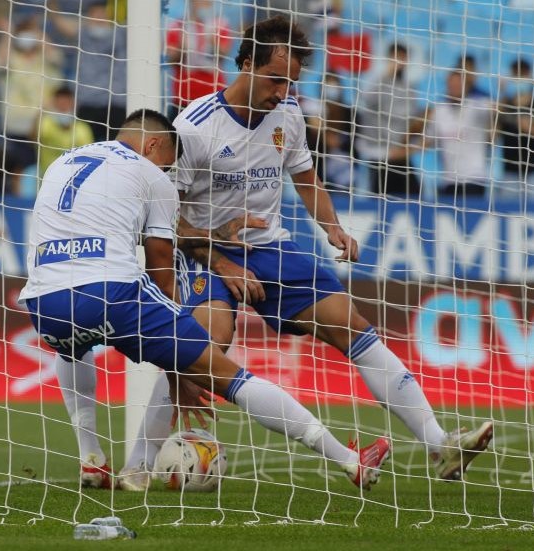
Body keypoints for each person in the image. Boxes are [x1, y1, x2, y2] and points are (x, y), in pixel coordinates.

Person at [118, 16, 493, 490]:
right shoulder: (194, 127)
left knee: (351, 324)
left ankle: (441, 444)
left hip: (270, 247)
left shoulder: (289, 114)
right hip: (204, 253)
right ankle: (137, 465)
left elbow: (306, 179)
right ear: (247, 63)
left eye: (291, 81)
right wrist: (222, 259)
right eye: (276, 79)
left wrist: (332, 226)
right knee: (200, 345)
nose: (282, 91)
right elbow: (165, 217)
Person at [19, 108, 391, 492]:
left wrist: (211, 234)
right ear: (153, 145)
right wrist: (176, 356)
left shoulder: (64, 161)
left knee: (73, 347)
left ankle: (91, 458)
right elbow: (161, 258)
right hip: (112, 293)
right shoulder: (151, 176)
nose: (167, 175)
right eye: (166, 166)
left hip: (43, 301)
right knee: (225, 374)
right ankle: (349, 460)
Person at [0, 15, 63, 174]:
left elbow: (56, 57)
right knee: (21, 170)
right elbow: (0, 64)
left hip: (47, 125)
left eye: (30, 33)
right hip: (18, 125)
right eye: (24, 33)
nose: (27, 37)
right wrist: (7, 34)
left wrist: (38, 31)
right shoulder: (11, 59)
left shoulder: (46, 59)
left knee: (51, 169)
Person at [48, 1, 126, 142]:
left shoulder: (121, 33)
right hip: (88, 102)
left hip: (116, 102)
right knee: (87, 147)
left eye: (102, 13)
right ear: (88, 17)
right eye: (95, 14)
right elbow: (60, 21)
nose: (99, 17)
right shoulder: (83, 34)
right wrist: (51, 4)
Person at [355, 42, 424, 197]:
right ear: (388, 58)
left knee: (415, 195)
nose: (400, 62)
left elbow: (410, 120)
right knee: (380, 201)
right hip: (379, 155)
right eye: (396, 57)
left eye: (403, 58)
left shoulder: (409, 88)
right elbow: (366, 96)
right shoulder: (375, 80)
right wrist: (387, 72)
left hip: (400, 155)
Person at [426, 68, 495, 199]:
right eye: (452, 84)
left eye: (458, 84)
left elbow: (499, 108)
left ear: (466, 86)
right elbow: (427, 141)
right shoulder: (439, 111)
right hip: (449, 180)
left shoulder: (477, 106)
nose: (455, 88)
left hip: (474, 178)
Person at [165, 0, 233, 121]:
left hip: (213, 95)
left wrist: (212, 41)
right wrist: (182, 46)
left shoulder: (220, 24)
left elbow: (225, 53)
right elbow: (171, 58)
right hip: (184, 96)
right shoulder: (178, 26)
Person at [495, 58, 534, 204]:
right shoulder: (506, 103)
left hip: (532, 172)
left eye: (521, 74)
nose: (518, 78)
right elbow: (493, 134)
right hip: (509, 172)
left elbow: (529, 128)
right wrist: (502, 98)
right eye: (515, 74)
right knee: (506, 211)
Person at [35, 85, 94, 177]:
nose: (63, 106)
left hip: (74, 177)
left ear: (74, 103)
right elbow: (33, 138)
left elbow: (89, 156)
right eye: (60, 103)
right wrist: (40, 112)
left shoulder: (83, 128)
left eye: (66, 103)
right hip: (47, 176)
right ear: (54, 103)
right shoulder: (46, 123)